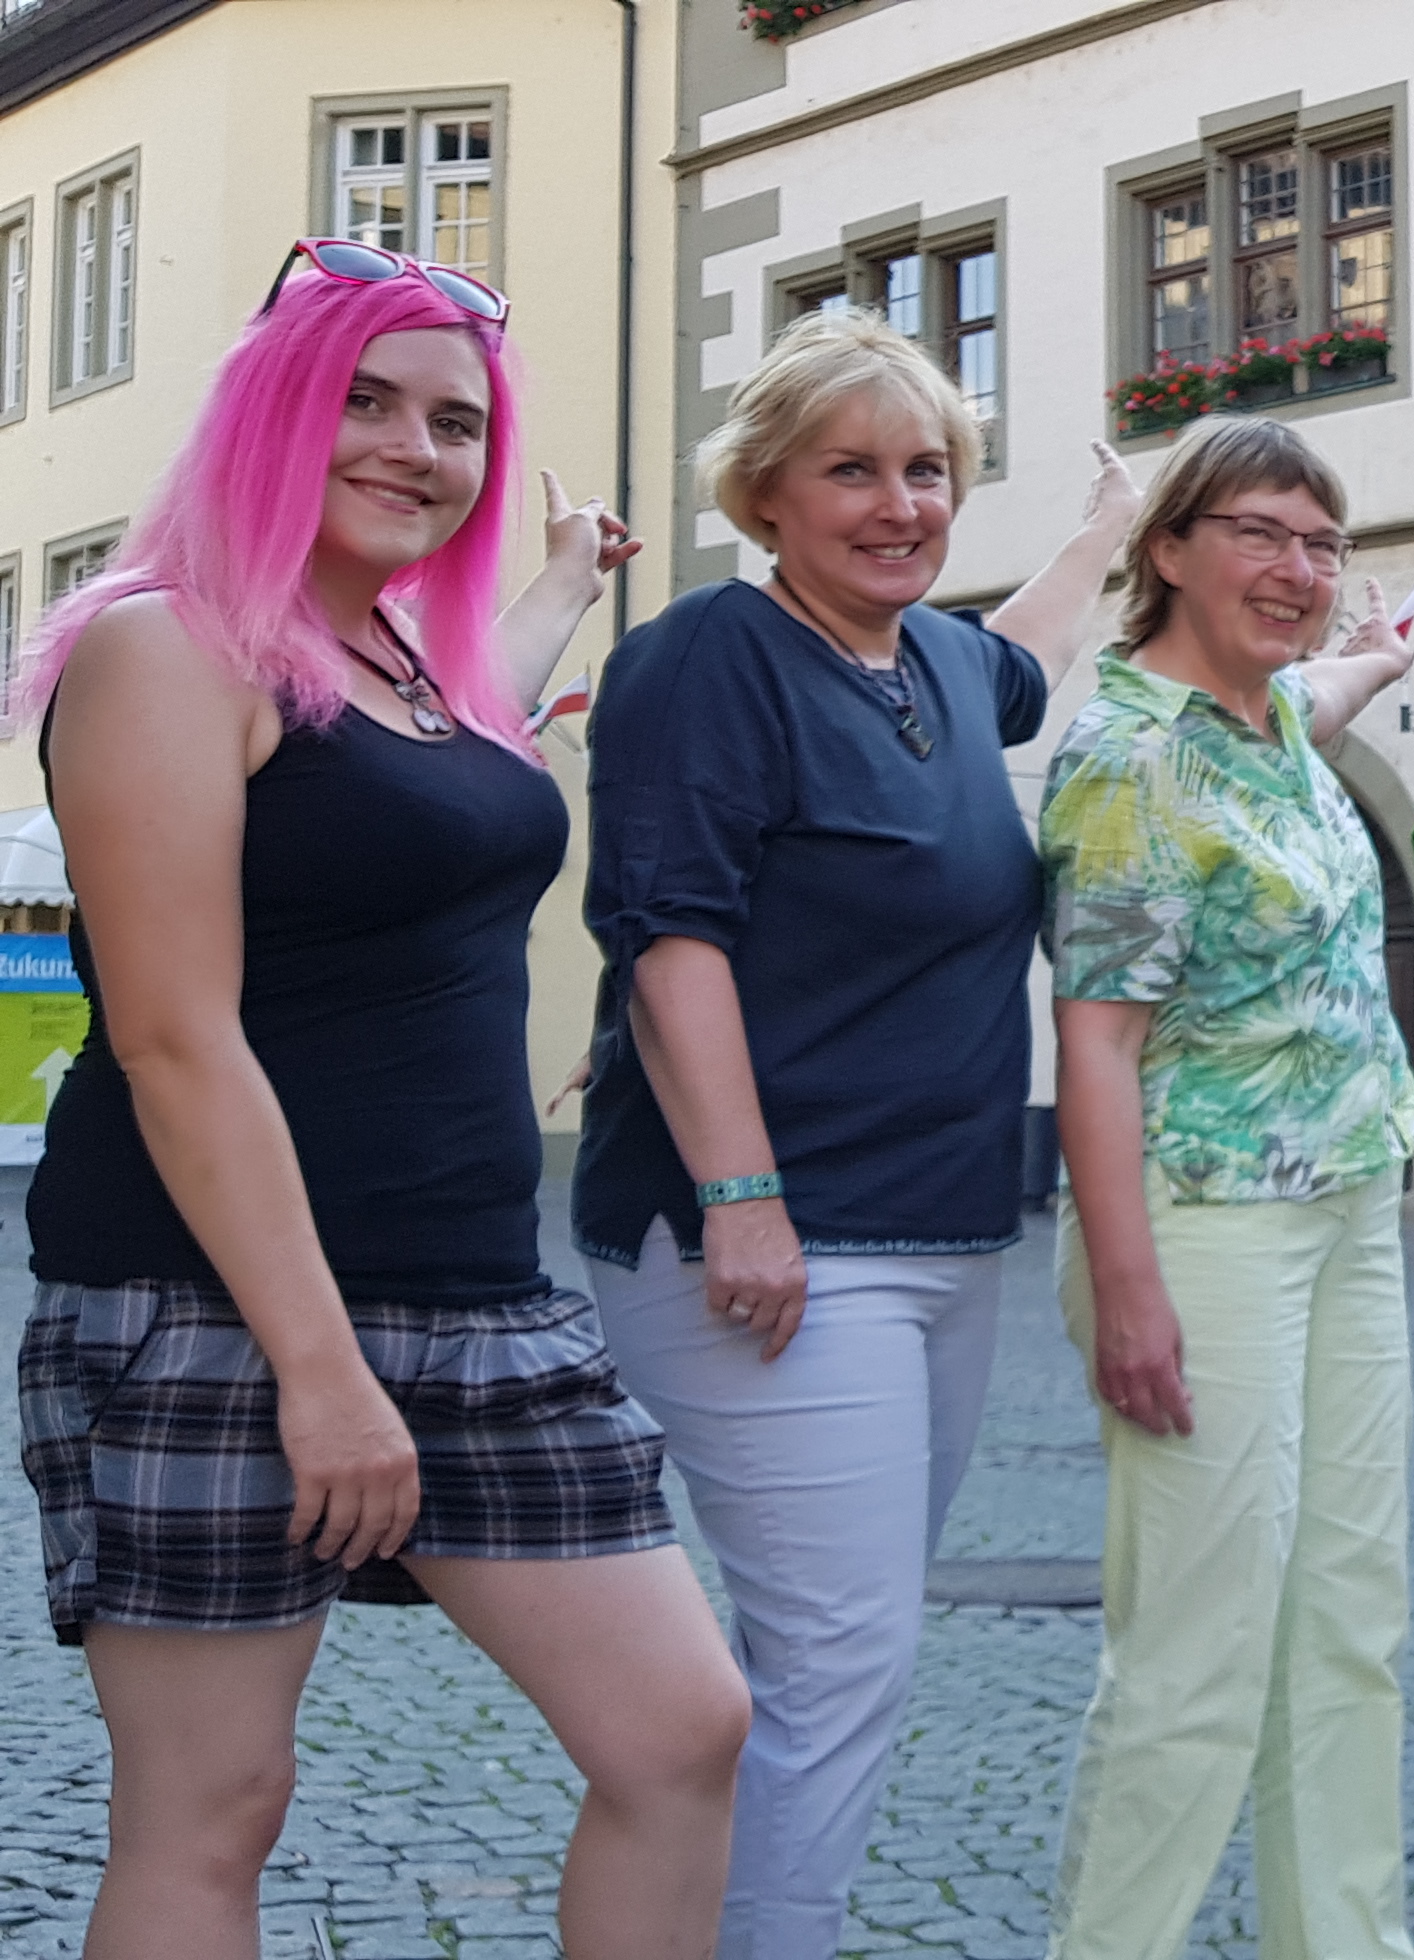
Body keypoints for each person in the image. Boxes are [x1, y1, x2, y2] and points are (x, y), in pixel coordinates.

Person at [15, 242, 746, 1955]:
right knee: (212, 1811)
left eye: (457, 423)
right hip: (207, 1311)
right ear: (268, 409)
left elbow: (453, 774)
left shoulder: (415, 669)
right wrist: (322, 1373)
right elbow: (173, 1039)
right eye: (364, 400)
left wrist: (565, 575)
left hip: (478, 1296)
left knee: (680, 1730)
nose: (415, 448)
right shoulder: (166, 653)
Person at [572, 305, 1134, 1958]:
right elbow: (669, 941)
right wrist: (744, 1196)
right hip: (774, 1247)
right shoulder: (703, 661)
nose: (900, 505)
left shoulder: (940, 664)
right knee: (835, 1659)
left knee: (828, 1654)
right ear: (762, 495)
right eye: (852, 473)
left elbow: (1024, 650)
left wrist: (1104, 530)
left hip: (945, 1233)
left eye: (929, 471)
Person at [1037, 416, 1414, 1958]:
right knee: (1196, 1651)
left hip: (1343, 1205)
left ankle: (1349, 1941)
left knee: (1349, 1622)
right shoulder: (1129, 754)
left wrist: (1377, 661)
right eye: (1262, 535)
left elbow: (1323, 685)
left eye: (1322, 544)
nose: (1300, 570)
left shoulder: (1271, 725)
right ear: (1169, 552)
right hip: (1203, 1228)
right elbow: (1096, 1046)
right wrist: (1124, 1288)